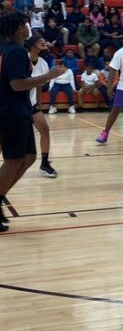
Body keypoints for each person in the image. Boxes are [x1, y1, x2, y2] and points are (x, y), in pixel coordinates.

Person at [0, 13, 66, 231]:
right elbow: (17, 84)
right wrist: (50, 75)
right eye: (26, 24)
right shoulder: (16, 51)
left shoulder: (8, 48)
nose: (29, 27)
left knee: (29, 157)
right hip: (11, 111)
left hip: (20, 110)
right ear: (19, 28)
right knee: (12, 160)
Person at [26, 36, 58, 178]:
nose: (44, 42)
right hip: (16, 103)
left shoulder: (44, 63)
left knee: (44, 129)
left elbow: (39, 87)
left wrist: (39, 105)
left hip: (31, 103)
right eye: (41, 41)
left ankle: (44, 164)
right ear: (33, 46)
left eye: (45, 40)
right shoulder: (22, 59)